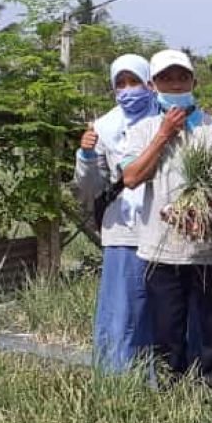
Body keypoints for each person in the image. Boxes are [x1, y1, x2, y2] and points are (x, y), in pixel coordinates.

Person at [121, 49, 212, 382]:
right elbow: (131, 177)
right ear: (152, 85)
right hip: (160, 248)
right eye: (166, 79)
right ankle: (172, 394)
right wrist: (164, 134)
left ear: (193, 81)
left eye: (181, 77)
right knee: (167, 330)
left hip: (208, 249)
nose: (175, 85)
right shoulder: (143, 130)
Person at [73, 54, 158, 373]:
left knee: (161, 307)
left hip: (163, 229)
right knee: (123, 310)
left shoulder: (166, 118)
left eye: (134, 81)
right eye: (119, 83)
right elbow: (89, 188)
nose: (127, 90)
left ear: (149, 84)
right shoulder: (103, 128)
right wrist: (86, 154)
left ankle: (164, 376)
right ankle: (117, 377)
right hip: (123, 231)